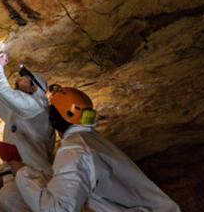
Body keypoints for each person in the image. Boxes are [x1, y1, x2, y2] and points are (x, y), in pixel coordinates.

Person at [10, 87, 181, 211]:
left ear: (54, 120)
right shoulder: (94, 141)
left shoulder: (75, 151)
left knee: (7, 197)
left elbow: (57, 209)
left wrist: (22, 173)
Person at [0, 52, 55, 212]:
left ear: (34, 87)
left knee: (10, 198)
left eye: (23, 78)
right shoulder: (19, 112)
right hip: (19, 176)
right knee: (6, 197)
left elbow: (2, 91)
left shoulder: (36, 107)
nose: (17, 79)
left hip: (36, 176)